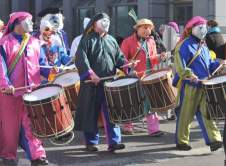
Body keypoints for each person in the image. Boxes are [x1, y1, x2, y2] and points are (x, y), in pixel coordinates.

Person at [0, 12, 48, 165]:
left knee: (33, 125)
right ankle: (8, 155)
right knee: (9, 127)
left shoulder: (35, 42)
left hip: (31, 92)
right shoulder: (4, 43)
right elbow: (1, 67)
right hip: (10, 93)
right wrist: (5, 84)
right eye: (28, 20)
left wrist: (53, 72)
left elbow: (42, 64)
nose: (31, 23)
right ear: (17, 23)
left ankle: (37, 156)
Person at [75, 13, 126, 152]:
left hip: (109, 82)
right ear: (94, 23)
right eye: (103, 21)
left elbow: (119, 58)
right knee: (91, 112)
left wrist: (127, 66)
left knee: (112, 112)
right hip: (92, 84)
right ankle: (91, 142)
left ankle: (114, 142)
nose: (106, 23)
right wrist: (90, 74)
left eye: (108, 21)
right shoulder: (86, 39)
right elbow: (81, 59)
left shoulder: (112, 40)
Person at [173, 16, 224, 151]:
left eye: (204, 27)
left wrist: (219, 64)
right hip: (190, 85)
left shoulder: (204, 45)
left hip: (205, 84)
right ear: (191, 29)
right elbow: (180, 65)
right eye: (200, 26)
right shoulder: (184, 45)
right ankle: (182, 141)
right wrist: (190, 75)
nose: (203, 29)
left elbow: (208, 65)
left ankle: (214, 140)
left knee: (208, 113)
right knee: (186, 114)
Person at [120, 18, 167, 136]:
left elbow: (153, 60)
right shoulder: (127, 41)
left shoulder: (151, 41)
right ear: (137, 29)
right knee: (131, 101)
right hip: (133, 76)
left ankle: (153, 129)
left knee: (149, 102)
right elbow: (121, 60)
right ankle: (127, 126)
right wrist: (129, 66)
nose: (147, 30)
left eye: (149, 28)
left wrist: (160, 57)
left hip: (148, 76)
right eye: (144, 27)